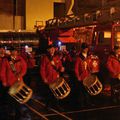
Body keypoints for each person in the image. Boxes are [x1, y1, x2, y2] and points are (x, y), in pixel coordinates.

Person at [0, 47, 27, 119]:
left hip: (18, 82)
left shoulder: (20, 59)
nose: (15, 52)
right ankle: (11, 111)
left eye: (16, 51)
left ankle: (18, 111)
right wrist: (4, 81)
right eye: (13, 51)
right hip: (10, 82)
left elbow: (24, 68)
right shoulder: (6, 60)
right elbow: (2, 72)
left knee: (19, 97)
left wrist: (20, 74)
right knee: (10, 98)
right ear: (11, 52)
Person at [40, 44, 65, 109]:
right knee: (49, 93)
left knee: (56, 92)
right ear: (48, 50)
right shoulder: (45, 58)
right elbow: (42, 69)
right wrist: (44, 78)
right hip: (48, 78)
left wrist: (61, 68)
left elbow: (60, 66)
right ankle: (48, 105)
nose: (52, 50)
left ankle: (56, 105)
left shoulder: (57, 57)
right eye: (51, 49)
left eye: (53, 48)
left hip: (55, 78)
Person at [74, 42, 94, 107]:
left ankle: (87, 102)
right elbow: (76, 69)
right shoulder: (79, 58)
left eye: (86, 48)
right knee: (81, 91)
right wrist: (78, 77)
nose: (86, 49)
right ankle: (81, 104)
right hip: (81, 77)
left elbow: (90, 66)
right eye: (84, 48)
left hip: (87, 76)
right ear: (82, 49)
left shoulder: (88, 57)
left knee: (87, 90)